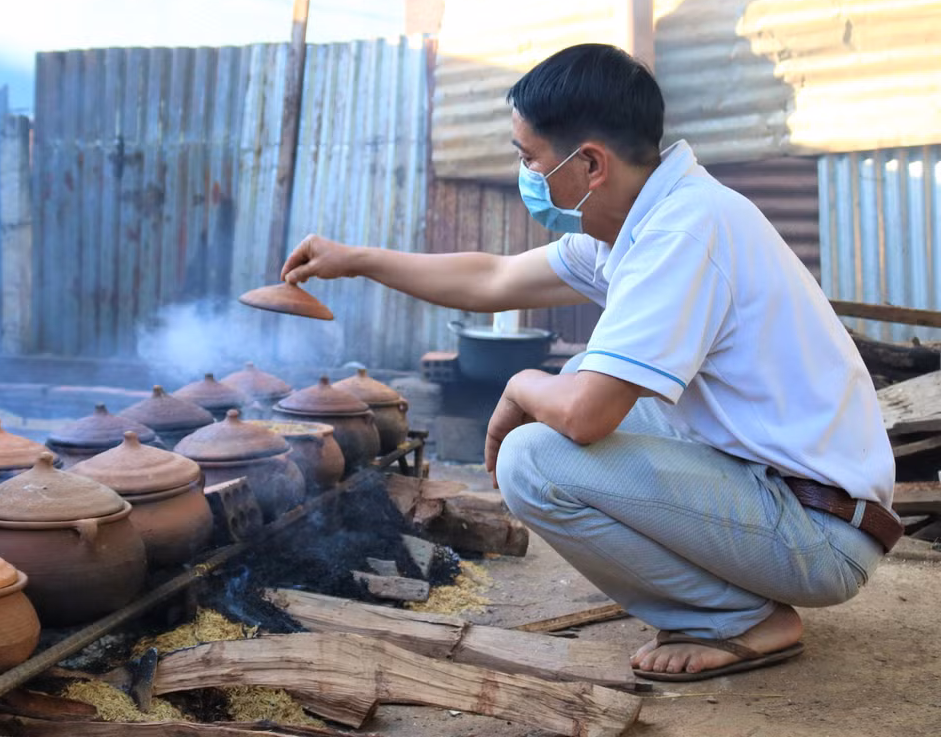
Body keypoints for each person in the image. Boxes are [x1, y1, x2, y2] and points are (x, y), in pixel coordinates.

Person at [279, 43, 901, 682]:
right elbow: (492, 278)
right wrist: (354, 258)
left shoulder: (680, 234)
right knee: (583, 385)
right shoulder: (642, 223)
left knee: (533, 454)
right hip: (793, 499)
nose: (526, 174)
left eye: (530, 159)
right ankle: (727, 598)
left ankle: (734, 618)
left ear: (590, 164)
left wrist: (521, 383)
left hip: (820, 535)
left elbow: (584, 419)